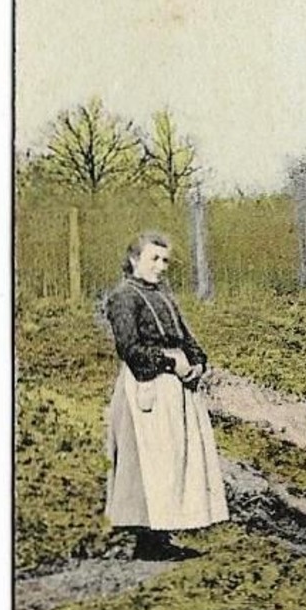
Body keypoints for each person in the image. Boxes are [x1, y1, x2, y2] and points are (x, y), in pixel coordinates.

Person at [103, 231, 229, 560]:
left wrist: (198, 363)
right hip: (147, 389)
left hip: (176, 389)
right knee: (149, 460)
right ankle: (146, 540)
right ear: (134, 261)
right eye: (153, 259)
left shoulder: (164, 296)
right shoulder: (122, 297)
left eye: (165, 260)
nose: (161, 266)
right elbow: (130, 348)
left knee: (174, 459)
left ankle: (163, 536)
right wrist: (171, 361)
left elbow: (186, 337)